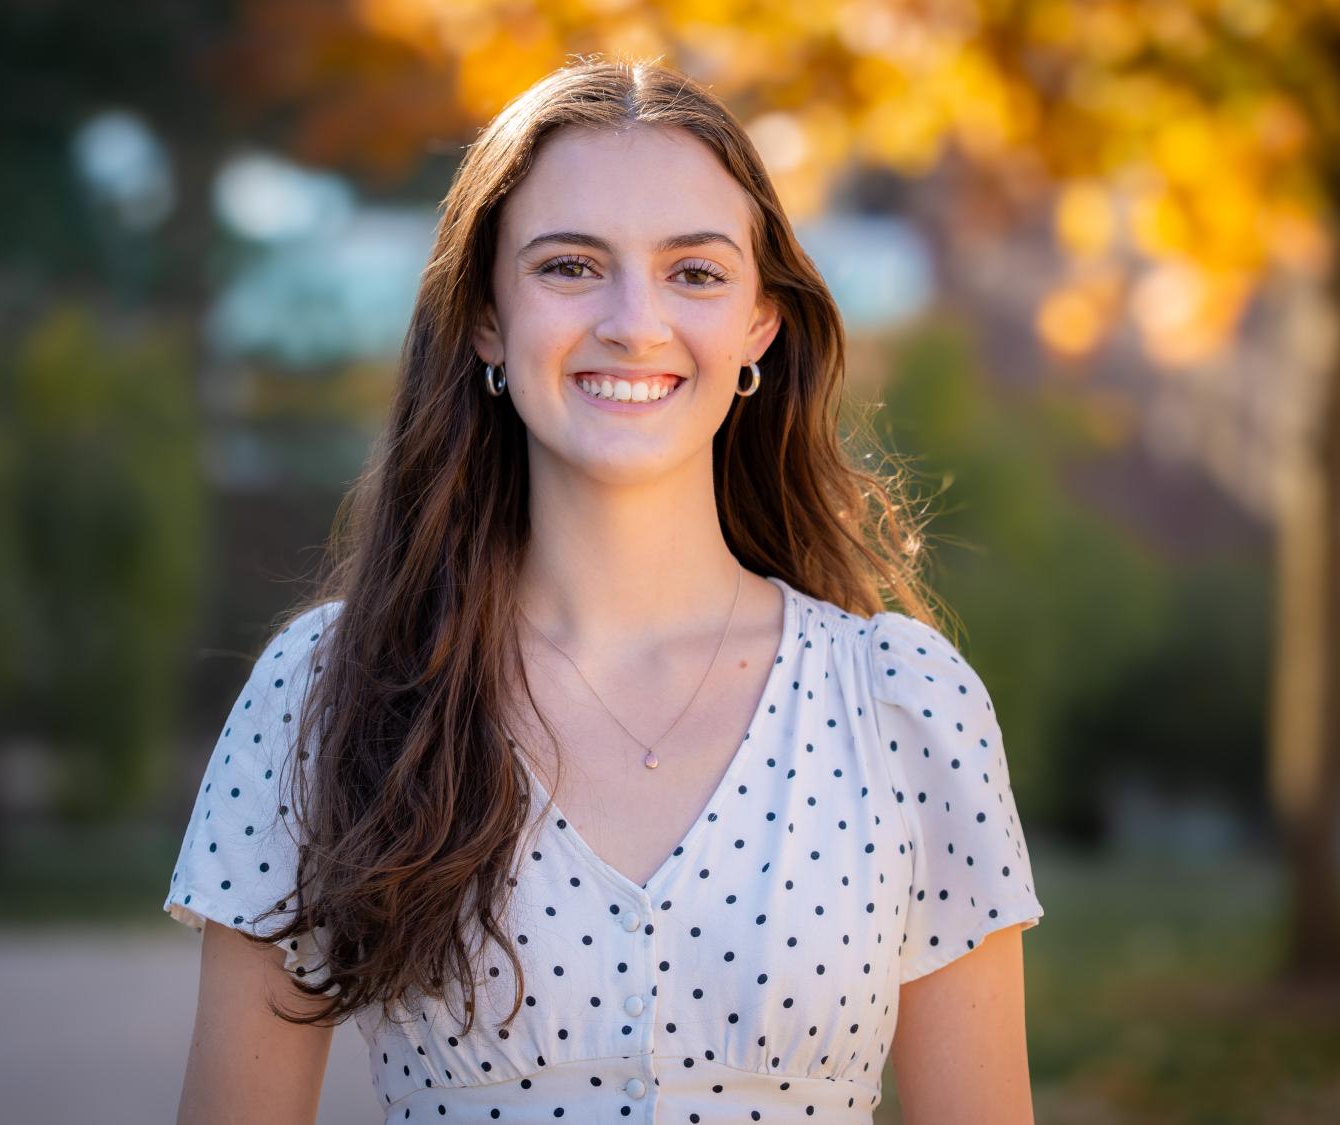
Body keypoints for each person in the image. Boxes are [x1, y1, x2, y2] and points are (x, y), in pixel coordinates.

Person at [163, 55, 1045, 1124]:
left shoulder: (906, 707)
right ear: (486, 319)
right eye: (570, 267)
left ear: (760, 325)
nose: (635, 321)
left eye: (697, 272)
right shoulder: (325, 689)